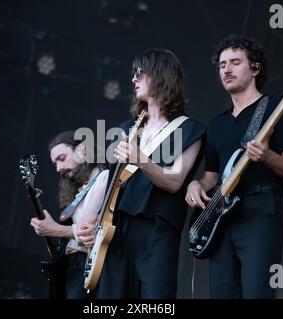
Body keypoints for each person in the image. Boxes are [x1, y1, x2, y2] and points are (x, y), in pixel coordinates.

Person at [186, 35, 283, 298]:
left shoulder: (276, 108)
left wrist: (267, 156)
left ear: (255, 68)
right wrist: (196, 184)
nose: (226, 69)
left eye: (235, 62)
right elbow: (211, 177)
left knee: (257, 292)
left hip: (261, 211)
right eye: (222, 64)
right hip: (222, 217)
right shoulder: (216, 124)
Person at [97, 48, 206, 298]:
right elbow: (108, 184)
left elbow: (175, 182)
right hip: (116, 231)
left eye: (138, 73)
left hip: (157, 232)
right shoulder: (127, 128)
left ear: (159, 75)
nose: (133, 79)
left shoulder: (189, 129)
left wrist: (141, 160)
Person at [30, 130, 109, 299]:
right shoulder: (80, 189)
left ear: (82, 150)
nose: (58, 168)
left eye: (61, 158)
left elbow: (85, 232)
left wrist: (53, 229)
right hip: (72, 267)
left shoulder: (104, 177)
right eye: (55, 164)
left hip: (87, 265)